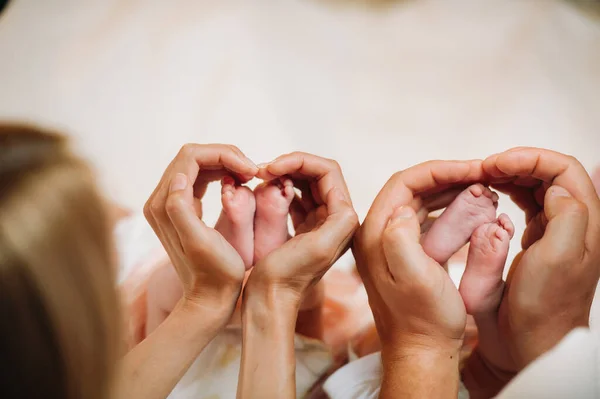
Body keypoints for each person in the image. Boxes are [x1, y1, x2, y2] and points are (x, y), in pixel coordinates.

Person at [0, 123, 359, 399]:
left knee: (163, 289)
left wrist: (206, 297)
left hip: (188, 348)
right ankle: (245, 245)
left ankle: (238, 245)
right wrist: (264, 291)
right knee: (159, 288)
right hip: (271, 358)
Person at [324, 148, 600, 398]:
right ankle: (481, 297)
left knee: (366, 317)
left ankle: (437, 263)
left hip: (399, 369)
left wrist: (421, 341)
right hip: (494, 372)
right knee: (500, 367)